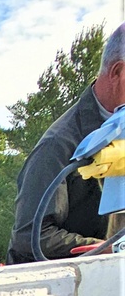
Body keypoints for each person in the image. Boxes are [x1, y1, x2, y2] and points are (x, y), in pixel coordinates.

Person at [8, 23, 125, 262]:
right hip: (57, 288)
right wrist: (106, 248)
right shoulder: (58, 144)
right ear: (117, 72)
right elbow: (31, 236)